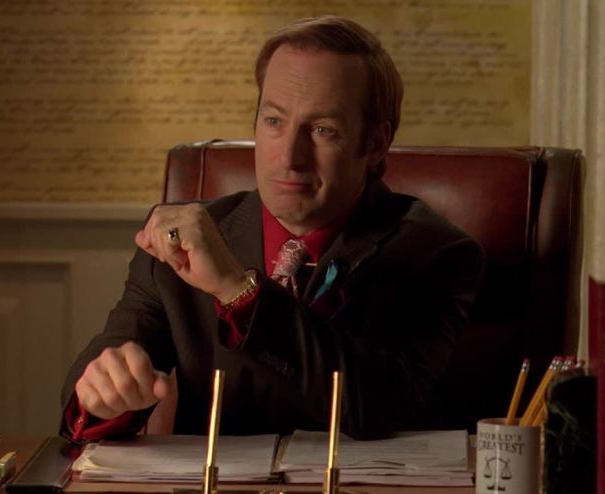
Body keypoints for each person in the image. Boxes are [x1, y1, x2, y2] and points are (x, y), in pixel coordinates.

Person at [60, 15, 484, 441]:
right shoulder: (183, 240)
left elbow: (381, 405)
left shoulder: (436, 254)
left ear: (375, 144)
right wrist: (103, 395)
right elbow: (89, 399)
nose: (289, 157)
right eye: (275, 122)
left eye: (323, 130)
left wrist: (237, 290)